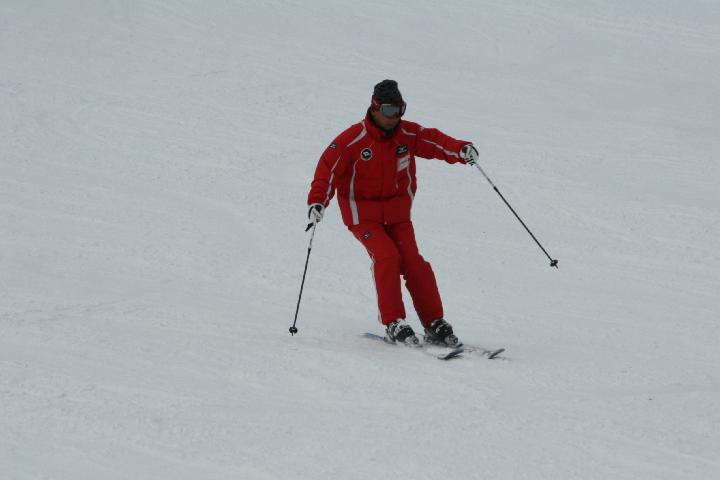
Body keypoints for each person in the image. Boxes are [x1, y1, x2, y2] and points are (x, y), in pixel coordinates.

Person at [306, 79, 479, 347]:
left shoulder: (406, 134)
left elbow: (434, 141)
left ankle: (434, 322)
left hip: (397, 214)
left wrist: (460, 149)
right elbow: (327, 169)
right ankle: (393, 322)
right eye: (389, 110)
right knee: (386, 256)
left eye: (400, 109)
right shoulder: (352, 140)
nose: (395, 116)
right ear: (375, 108)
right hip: (363, 215)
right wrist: (318, 201)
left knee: (414, 263)